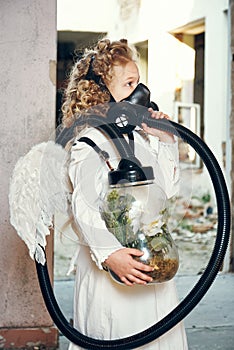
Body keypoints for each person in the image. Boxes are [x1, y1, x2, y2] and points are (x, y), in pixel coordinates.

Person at [61, 38, 188, 349]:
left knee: (160, 337)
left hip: (149, 258)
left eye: (139, 82)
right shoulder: (89, 140)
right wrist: (110, 255)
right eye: (129, 84)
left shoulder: (140, 138)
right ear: (101, 92)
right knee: (118, 335)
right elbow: (84, 205)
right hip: (116, 267)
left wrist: (163, 140)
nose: (140, 93)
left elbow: (166, 190)